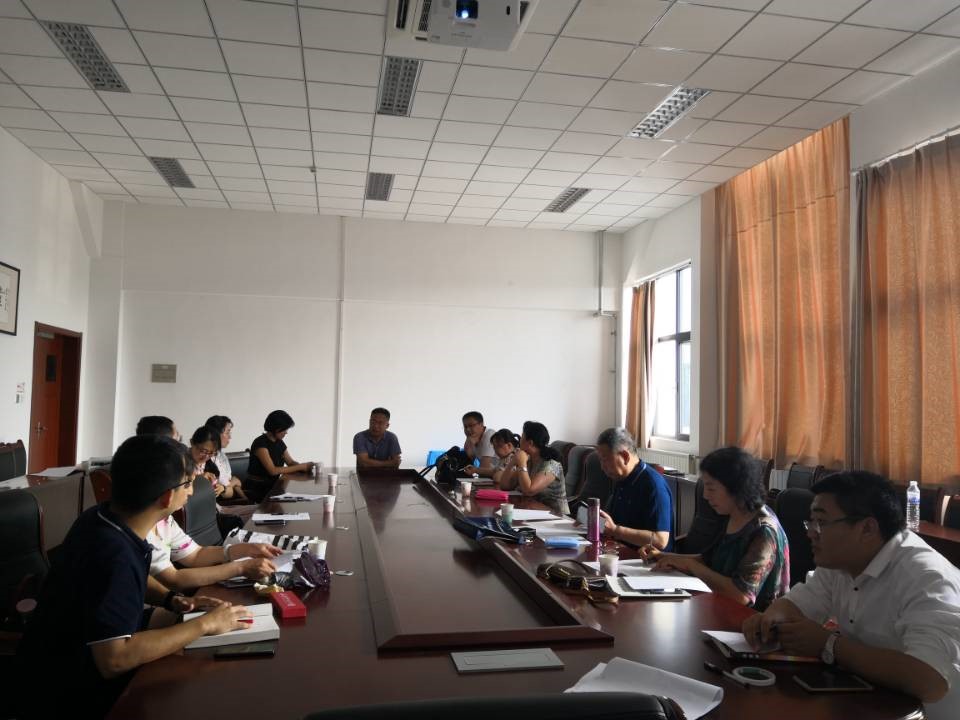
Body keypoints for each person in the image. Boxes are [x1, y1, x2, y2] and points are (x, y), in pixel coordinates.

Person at [16, 435, 253, 718]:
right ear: (167, 497)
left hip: (72, 652)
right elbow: (115, 659)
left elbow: (124, 584)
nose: (191, 492)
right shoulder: (114, 553)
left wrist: (170, 599)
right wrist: (205, 625)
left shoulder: (104, 517)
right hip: (67, 692)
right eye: (187, 484)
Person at [743, 471, 960, 714]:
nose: (810, 532)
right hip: (866, 702)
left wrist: (829, 645)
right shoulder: (841, 561)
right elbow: (797, 603)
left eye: (822, 522)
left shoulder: (927, 578)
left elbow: (930, 681)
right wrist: (770, 620)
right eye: (811, 522)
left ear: (867, 528)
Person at [639, 446, 789, 610]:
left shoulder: (764, 530)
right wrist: (663, 556)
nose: (705, 495)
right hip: (720, 608)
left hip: (754, 620)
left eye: (711, 488)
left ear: (736, 487)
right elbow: (710, 560)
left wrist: (691, 566)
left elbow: (741, 595)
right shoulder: (732, 514)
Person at [595, 427, 673, 551]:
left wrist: (616, 530)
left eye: (605, 460)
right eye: (600, 460)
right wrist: (592, 520)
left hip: (647, 559)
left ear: (625, 456)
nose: (602, 467)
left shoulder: (654, 485)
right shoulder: (621, 479)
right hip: (619, 550)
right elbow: (613, 521)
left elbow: (660, 540)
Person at [497, 421, 568, 515]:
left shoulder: (552, 465)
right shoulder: (529, 460)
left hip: (555, 516)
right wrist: (512, 462)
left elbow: (529, 491)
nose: (519, 441)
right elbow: (505, 486)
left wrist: (522, 463)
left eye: (522, 438)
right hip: (532, 511)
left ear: (530, 443)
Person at [245, 409, 314, 502]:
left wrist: (305, 467)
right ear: (276, 428)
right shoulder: (260, 443)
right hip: (258, 488)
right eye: (284, 429)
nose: (286, 432)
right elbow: (272, 471)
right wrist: (301, 467)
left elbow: (290, 462)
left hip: (273, 485)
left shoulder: (279, 442)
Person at [205, 414, 247, 502]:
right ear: (216, 434)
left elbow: (235, 485)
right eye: (227, 432)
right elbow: (226, 491)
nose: (230, 437)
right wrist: (232, 483)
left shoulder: (222, 456)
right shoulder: (205, 459)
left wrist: (246, 499)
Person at [188, 425, 225, 499]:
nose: (206, 456)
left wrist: (221, 488)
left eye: (212, 453)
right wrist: (199, 479)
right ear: (192, 442)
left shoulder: (210, 465)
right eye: (203, 451)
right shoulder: (181, 461)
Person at [461, 411, 496, 477]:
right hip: (490, 476)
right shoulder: (473, 437)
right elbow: (469, 460)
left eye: (471, 426)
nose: (468, 429)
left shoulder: (489, 435)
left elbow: (484, 468)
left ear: (481, 424)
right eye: (465, 427)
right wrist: (470, 442)